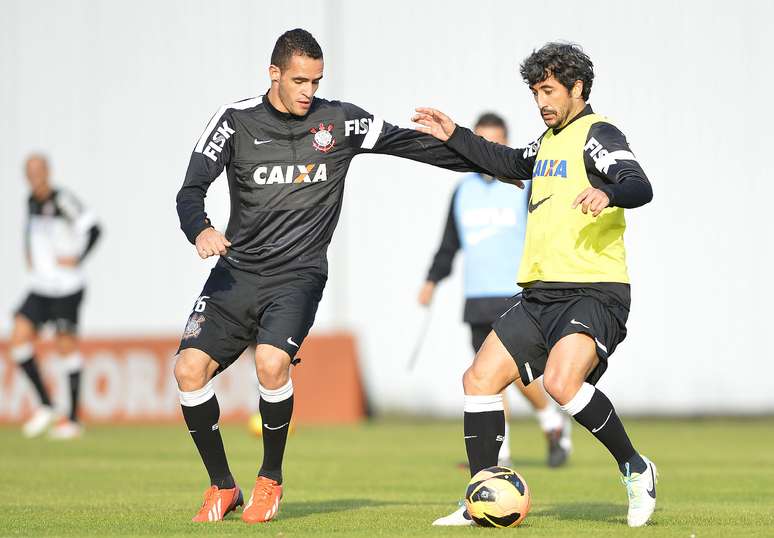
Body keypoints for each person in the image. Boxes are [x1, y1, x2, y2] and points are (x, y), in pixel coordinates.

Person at [174, 28, 501, 524]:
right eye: (300, 80)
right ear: (274, 74)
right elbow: (190, 189)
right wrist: (200, 230)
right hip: (236, 272)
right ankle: (222, 486)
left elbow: (413, 145)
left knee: (269, 362)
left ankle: (270, 481)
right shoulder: (234, 120)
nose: (309, 91)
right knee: (187, 372)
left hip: (297, 274)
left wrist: (496, 160)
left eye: (317, 80)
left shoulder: (340, 121)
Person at [414, 42, 656, 527]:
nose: (542, 101)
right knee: (478, 379)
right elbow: (503, 160)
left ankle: (635, 467)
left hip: (594, 289)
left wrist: (608, 191)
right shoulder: (545, 144)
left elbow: (639, 184)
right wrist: (454, 135)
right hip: (541, 293)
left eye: (549, 90)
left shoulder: (596, 134)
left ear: (577, 88)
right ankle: (480, 494)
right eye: (535, 92)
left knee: (562, 384)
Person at [418, 112, 571, 469]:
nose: (488, 149)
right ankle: (499, 455)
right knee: (488, 378)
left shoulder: (525, 186)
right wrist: (431, 281)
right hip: (477, 297)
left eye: (495, 143)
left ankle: (550, 420)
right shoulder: (463, 191)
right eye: (482, 141)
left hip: (516, 294)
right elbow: (449, 243)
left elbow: (548, 235)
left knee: (518, 374)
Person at [9, 154, 101, 440]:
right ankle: (46, 405)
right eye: (30, 171)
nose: (35, 176)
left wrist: (78, 258)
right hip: (40, 286)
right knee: (18, 338)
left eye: (39, 170)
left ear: (47, 172)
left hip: (67, 286)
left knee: (65, 347)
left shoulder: (62, 200)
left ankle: (72, 419)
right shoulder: (30, 201)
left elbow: (94, 229)